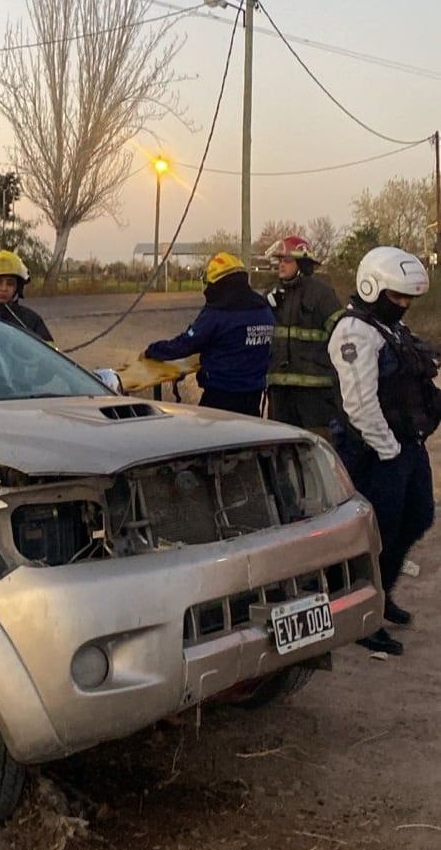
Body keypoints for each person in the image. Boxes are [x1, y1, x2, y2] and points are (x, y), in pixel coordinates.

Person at [328, 246, 440, 656]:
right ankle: (364, 617)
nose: (405, 304)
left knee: (418, 517)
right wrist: (389, 449)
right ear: (373, 288)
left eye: (408, 297)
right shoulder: (354, 332)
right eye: (397, 297)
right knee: (375, 533)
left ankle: (382, 595)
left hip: (405, 445)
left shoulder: (390, 328)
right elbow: (360, 404)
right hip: (375, 450)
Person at [143, 252, 274, 415]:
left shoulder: (218, 311)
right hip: (253, 395)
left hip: (221, 396)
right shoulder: (263, 309)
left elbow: (187, 343)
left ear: (216, 282)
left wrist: (154, 350)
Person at [265, 235, 342, 435]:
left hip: (315, 392)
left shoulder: (322, 294)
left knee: (317, 446)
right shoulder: (272, 294)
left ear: (302, 263)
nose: (281, 265)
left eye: (287, 260)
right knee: (281, 446)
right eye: (279, 260)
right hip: (280, 389)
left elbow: (342, 334)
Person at [0, 250, 54, 342]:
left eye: (10, 283)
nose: (4, 288)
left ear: (17, 288)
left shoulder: (32, 321)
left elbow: (49, 354)